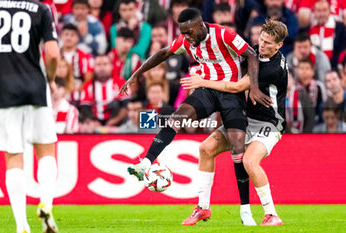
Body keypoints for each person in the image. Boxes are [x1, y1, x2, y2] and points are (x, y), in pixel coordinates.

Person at [122, 8, 270, 221]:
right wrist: (136, 75)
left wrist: (253, 87)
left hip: (231, 93)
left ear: (200, 26)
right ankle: (145, 163)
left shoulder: (224, 34)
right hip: (206, 91)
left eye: (189, 32)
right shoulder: (187, 40)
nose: (186, 38)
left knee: (238, 148)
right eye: (183, 33)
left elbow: (251, 54)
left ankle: (245, 210)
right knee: (176, 118)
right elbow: (163, 53)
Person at [179, 18, 288, 226]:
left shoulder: (273, 69)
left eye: (267, 43)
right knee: (206, 148)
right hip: (248, 118)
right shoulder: (257, 52)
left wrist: (202, 81)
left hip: (270, 123)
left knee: (249, 161)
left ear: (279, 46)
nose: (261, 45)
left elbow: (237, 87)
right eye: (261, 40)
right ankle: (202, 208)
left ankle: (272, 214)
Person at [0, 1, 60, 232]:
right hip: (35, 87)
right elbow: (52, 54)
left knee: (13, 157)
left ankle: (22, 225)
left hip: (2, 90)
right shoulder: (40, 9)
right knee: (46, 149)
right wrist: (51, 79)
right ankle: (46, 203)